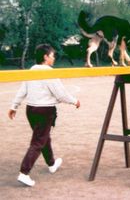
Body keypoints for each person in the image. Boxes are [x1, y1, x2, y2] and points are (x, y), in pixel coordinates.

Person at [8, 44, 80, 187]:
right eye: (52, 55)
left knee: (43, 137)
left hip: (31, 110)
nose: (54, 58)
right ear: (45, 57)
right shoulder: (49, 72)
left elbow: (23, 90)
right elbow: (60, 94)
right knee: (38, 141)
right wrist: (74, 101)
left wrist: (14, 106)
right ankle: (24, 173)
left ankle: (51, 164)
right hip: (44, 111)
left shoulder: (32, 70)